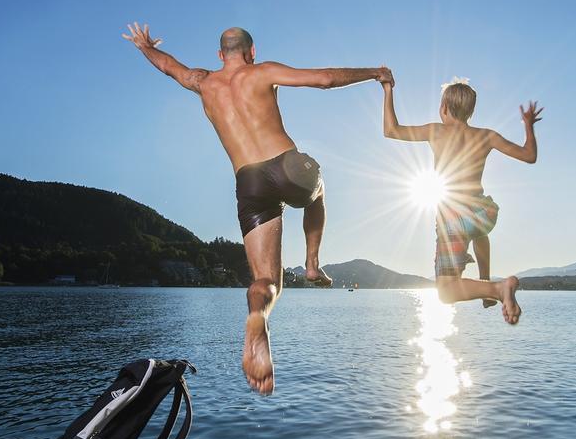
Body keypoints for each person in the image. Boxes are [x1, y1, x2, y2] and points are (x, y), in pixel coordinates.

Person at [123, 23, 392, 394]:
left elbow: (169, 66)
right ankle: (313, 264)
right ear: (252, 51)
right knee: (318, 189)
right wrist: (374, 73)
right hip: (284, 164)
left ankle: (256, 315)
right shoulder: (261, 71)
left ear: (220, 55)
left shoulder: (204, 82)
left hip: (247, 182)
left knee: (267, 282)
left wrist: (144, 47)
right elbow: (326, 79)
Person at [380, 77, 541, 323]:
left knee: (445, 292)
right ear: (471, 111)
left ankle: (496, 289)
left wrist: (387, 90)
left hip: (453, 216)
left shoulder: (436, 131)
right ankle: (485, 281)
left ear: (443, 108)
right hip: (483, 213)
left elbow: (391, 130)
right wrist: (528, 124)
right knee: (479, 233)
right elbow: (529, 156)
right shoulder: (487, 136)